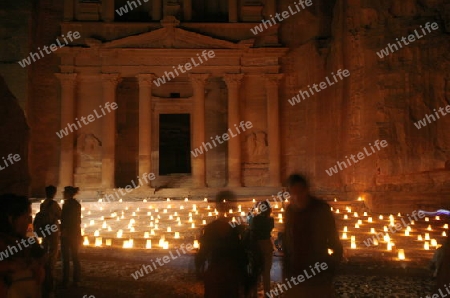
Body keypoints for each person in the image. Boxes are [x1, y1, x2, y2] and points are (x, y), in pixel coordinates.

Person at [282, 174, 343, 297]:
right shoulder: (290, 211)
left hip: (317, 274)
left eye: (300, 192)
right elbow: (288, 241)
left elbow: (334, 242)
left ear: (306, 190)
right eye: (293, 194)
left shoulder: (321, 210)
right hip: (295, 275)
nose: (297, 197)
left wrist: (330, 268)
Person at [195, 190, 248, 298]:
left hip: (220, 272)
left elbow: (203, 251)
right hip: (227, 273)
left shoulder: (212, 228)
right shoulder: (235, 229)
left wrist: (199, 266)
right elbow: (241, 252)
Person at [0, 194, 45, 298]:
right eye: (25, 217)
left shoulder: (25, 242)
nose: (29, 222)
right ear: (11, 218)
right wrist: (10, 266)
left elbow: (41, 258)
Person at [249, 200, 274, 296]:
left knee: (256, 270)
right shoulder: (270, 220)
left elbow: (251, 225)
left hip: (257, 245)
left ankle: (254, 293)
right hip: (267, 245)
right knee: (266, 272)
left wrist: (253, 209)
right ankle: (267, 293)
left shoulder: (255, 219)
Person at [40, 185, 61, 298]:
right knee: (53, 249)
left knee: (44, 246)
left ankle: (43, 265)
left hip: (44, 229)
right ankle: (50, 269)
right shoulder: (53, 204)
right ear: (54, 193)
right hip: (52, 229)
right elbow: (60, 215)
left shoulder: (43, 204)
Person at [60, 186, 81, 288]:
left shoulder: (67, 204)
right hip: (75, 233)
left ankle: (65, 279)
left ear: (68, 193)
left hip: (67, 234)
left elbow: (65, 220)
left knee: (66, 257)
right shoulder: (77, 204)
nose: (63, 194)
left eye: (64, 192)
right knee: (75, 256)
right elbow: (78, 220)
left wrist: (63, 230)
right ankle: (76, 279)